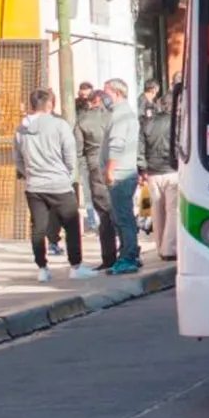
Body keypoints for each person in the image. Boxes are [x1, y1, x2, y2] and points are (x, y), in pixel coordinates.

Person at [13, 88, 98, 282]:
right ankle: (75, 265)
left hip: (34, 185)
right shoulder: (59, 125)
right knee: (71, 224)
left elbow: (17, 159)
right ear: (50, 105)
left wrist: (30, 173)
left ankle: (42, 268)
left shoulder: (21, 129)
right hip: (58, 183)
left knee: (38, 228)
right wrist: (66, 173)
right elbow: (70, 154)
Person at [101, 78, 142, 275]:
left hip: (120, 173)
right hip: (128, 171)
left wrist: (109, 170)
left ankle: (128, 257)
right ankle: (131, 251)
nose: (103, 97)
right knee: (126, 216)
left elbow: (117, 144)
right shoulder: (128, 113)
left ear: (116, 93)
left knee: (122, 217)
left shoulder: (119, 115)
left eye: (106, 93)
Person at [76, 89, 116, 270]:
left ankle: (109, 257)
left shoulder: (82, 121)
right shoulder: (113, 117)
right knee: (121, 210)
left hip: (96, 168)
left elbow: (77, 151)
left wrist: (87, 166)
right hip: (117, 165)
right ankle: (129, 252)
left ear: (91, 101)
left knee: (104, 214)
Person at [138, 92, 178, 261]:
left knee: (157, 210)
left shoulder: (147, 123)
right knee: (173, 210)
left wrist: (142, 168)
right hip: (172, 171)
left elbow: (140, 147)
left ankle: (160, 245)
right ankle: (169, 248)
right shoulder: (177, 124)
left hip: (152, 172)